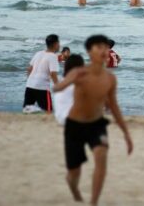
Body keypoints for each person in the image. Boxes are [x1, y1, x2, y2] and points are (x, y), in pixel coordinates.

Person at [52, 33, 133, 205]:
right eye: (99, 47)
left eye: (105, 47)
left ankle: (93, 202)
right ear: (89, 52)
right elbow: (60, 87)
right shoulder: (79, 73)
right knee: (74, 172)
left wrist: (126, 133)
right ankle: (74, 189)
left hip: (97, 124)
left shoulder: (110, 78)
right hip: (74, 125)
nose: (104, 50)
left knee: (101, 156)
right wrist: (62, 84)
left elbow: (115, 107)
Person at [24, 33, 61, 113]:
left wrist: (31, 80)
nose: (59, 45)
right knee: (48, 111)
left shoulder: (38, 53)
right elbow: (53, 74)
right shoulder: (53, 56)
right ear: (55, 44)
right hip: (42, 88)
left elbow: (29, 69)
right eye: (59, 43)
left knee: (27, 111)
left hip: (29, 85)